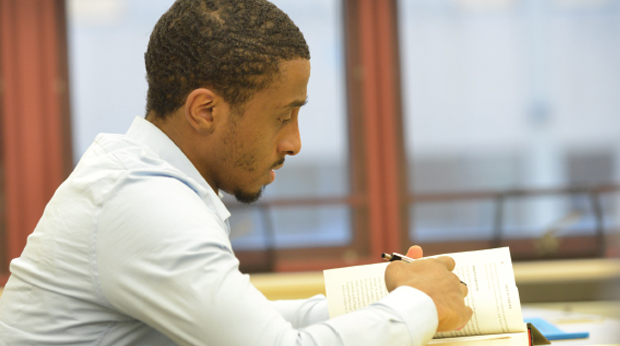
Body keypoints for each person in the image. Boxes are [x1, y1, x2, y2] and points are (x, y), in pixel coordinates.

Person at [0, 0, 472, 345]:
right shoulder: (145, 204)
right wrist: (419, 304)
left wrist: (390, 294)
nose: (295, 142)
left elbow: (253, 321)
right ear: (205, 111)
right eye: (283, 116)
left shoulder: (145, 180)